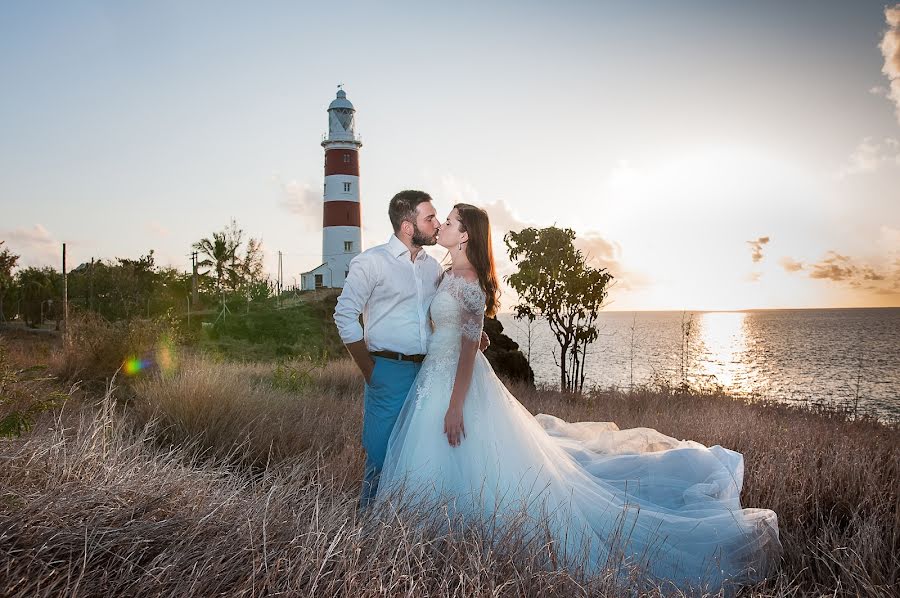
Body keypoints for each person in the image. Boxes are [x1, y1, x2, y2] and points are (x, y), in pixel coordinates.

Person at [373, 203, 783, 592]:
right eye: (441, 219)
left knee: (469, 457)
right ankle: (435, 539)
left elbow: (465, 351)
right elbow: (463, 333)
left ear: (465, 237)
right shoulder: (447, 275)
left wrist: (456, 403)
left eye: (448, 221)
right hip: (433, 377)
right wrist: (473, 335)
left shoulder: (470, 284)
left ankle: (466, 538)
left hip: (455, 383)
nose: (441, 225)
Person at [333, 190, 488, 510]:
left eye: (441, 219)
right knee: (381, 453)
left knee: (423, 455)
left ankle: (416, 521)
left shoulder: (434, 269)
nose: (436, 223)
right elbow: (344, 315)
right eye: (430, 218)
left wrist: (475, 337)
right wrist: (370, 370)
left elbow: (450, 317)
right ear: (408, 226)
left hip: (430, 374)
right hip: (388, 369)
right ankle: (368, 525)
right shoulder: (371, 262)